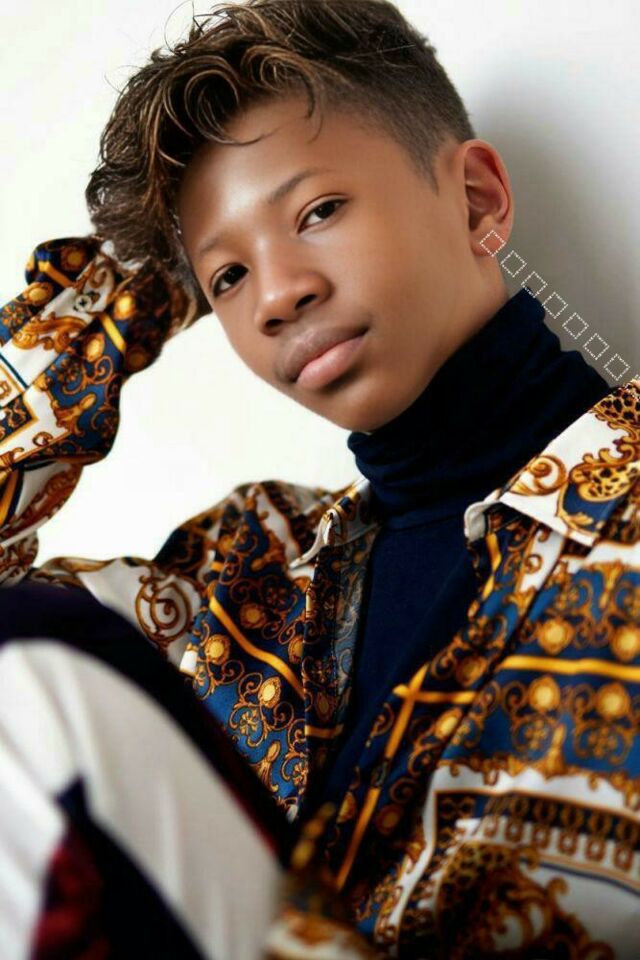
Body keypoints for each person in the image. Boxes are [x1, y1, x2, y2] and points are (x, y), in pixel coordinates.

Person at [1, 0, 639, 956]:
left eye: (318, 213)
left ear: (476, 202)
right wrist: (126, 286)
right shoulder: (244, 568)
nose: (277, 295)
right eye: (227, 278)